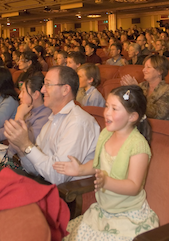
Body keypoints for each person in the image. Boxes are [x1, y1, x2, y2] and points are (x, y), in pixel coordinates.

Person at [53, 85, 159, 240]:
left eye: (115, 109)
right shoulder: (106, 134)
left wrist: (107, 182)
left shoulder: (138, 145)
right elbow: (98, 164)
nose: (107, 112)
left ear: (132, 117)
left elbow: (134, 186)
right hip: (103, 210)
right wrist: (80, 170)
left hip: (127, 214)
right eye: (107, 106)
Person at [3, 66, 100, 185]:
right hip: (43, 185)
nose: (43, 90)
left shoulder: (78, 122)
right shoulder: (51, 121)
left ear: (65, 90)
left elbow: (58, 177)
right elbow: (34, 170)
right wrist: (22, 148)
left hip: (65, 196)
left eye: (48, 85)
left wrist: (27, 145)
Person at [0, 73, 51, 145]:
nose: (20, 96)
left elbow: (25, 143)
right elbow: (9, 129)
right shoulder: (29, 109)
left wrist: (19, 115)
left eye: (23, 92)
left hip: (18, 156)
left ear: (35, 95)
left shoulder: (45, 117)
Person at [121, 55, 169, 121]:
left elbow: (158, 114)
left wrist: (138, 92)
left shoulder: (168, 91)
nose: (143, 70)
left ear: (160, 71)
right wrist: (126, 91)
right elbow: (128, 105)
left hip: (158, 127)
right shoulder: (141, 85)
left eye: (148, 67)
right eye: (144, 67)